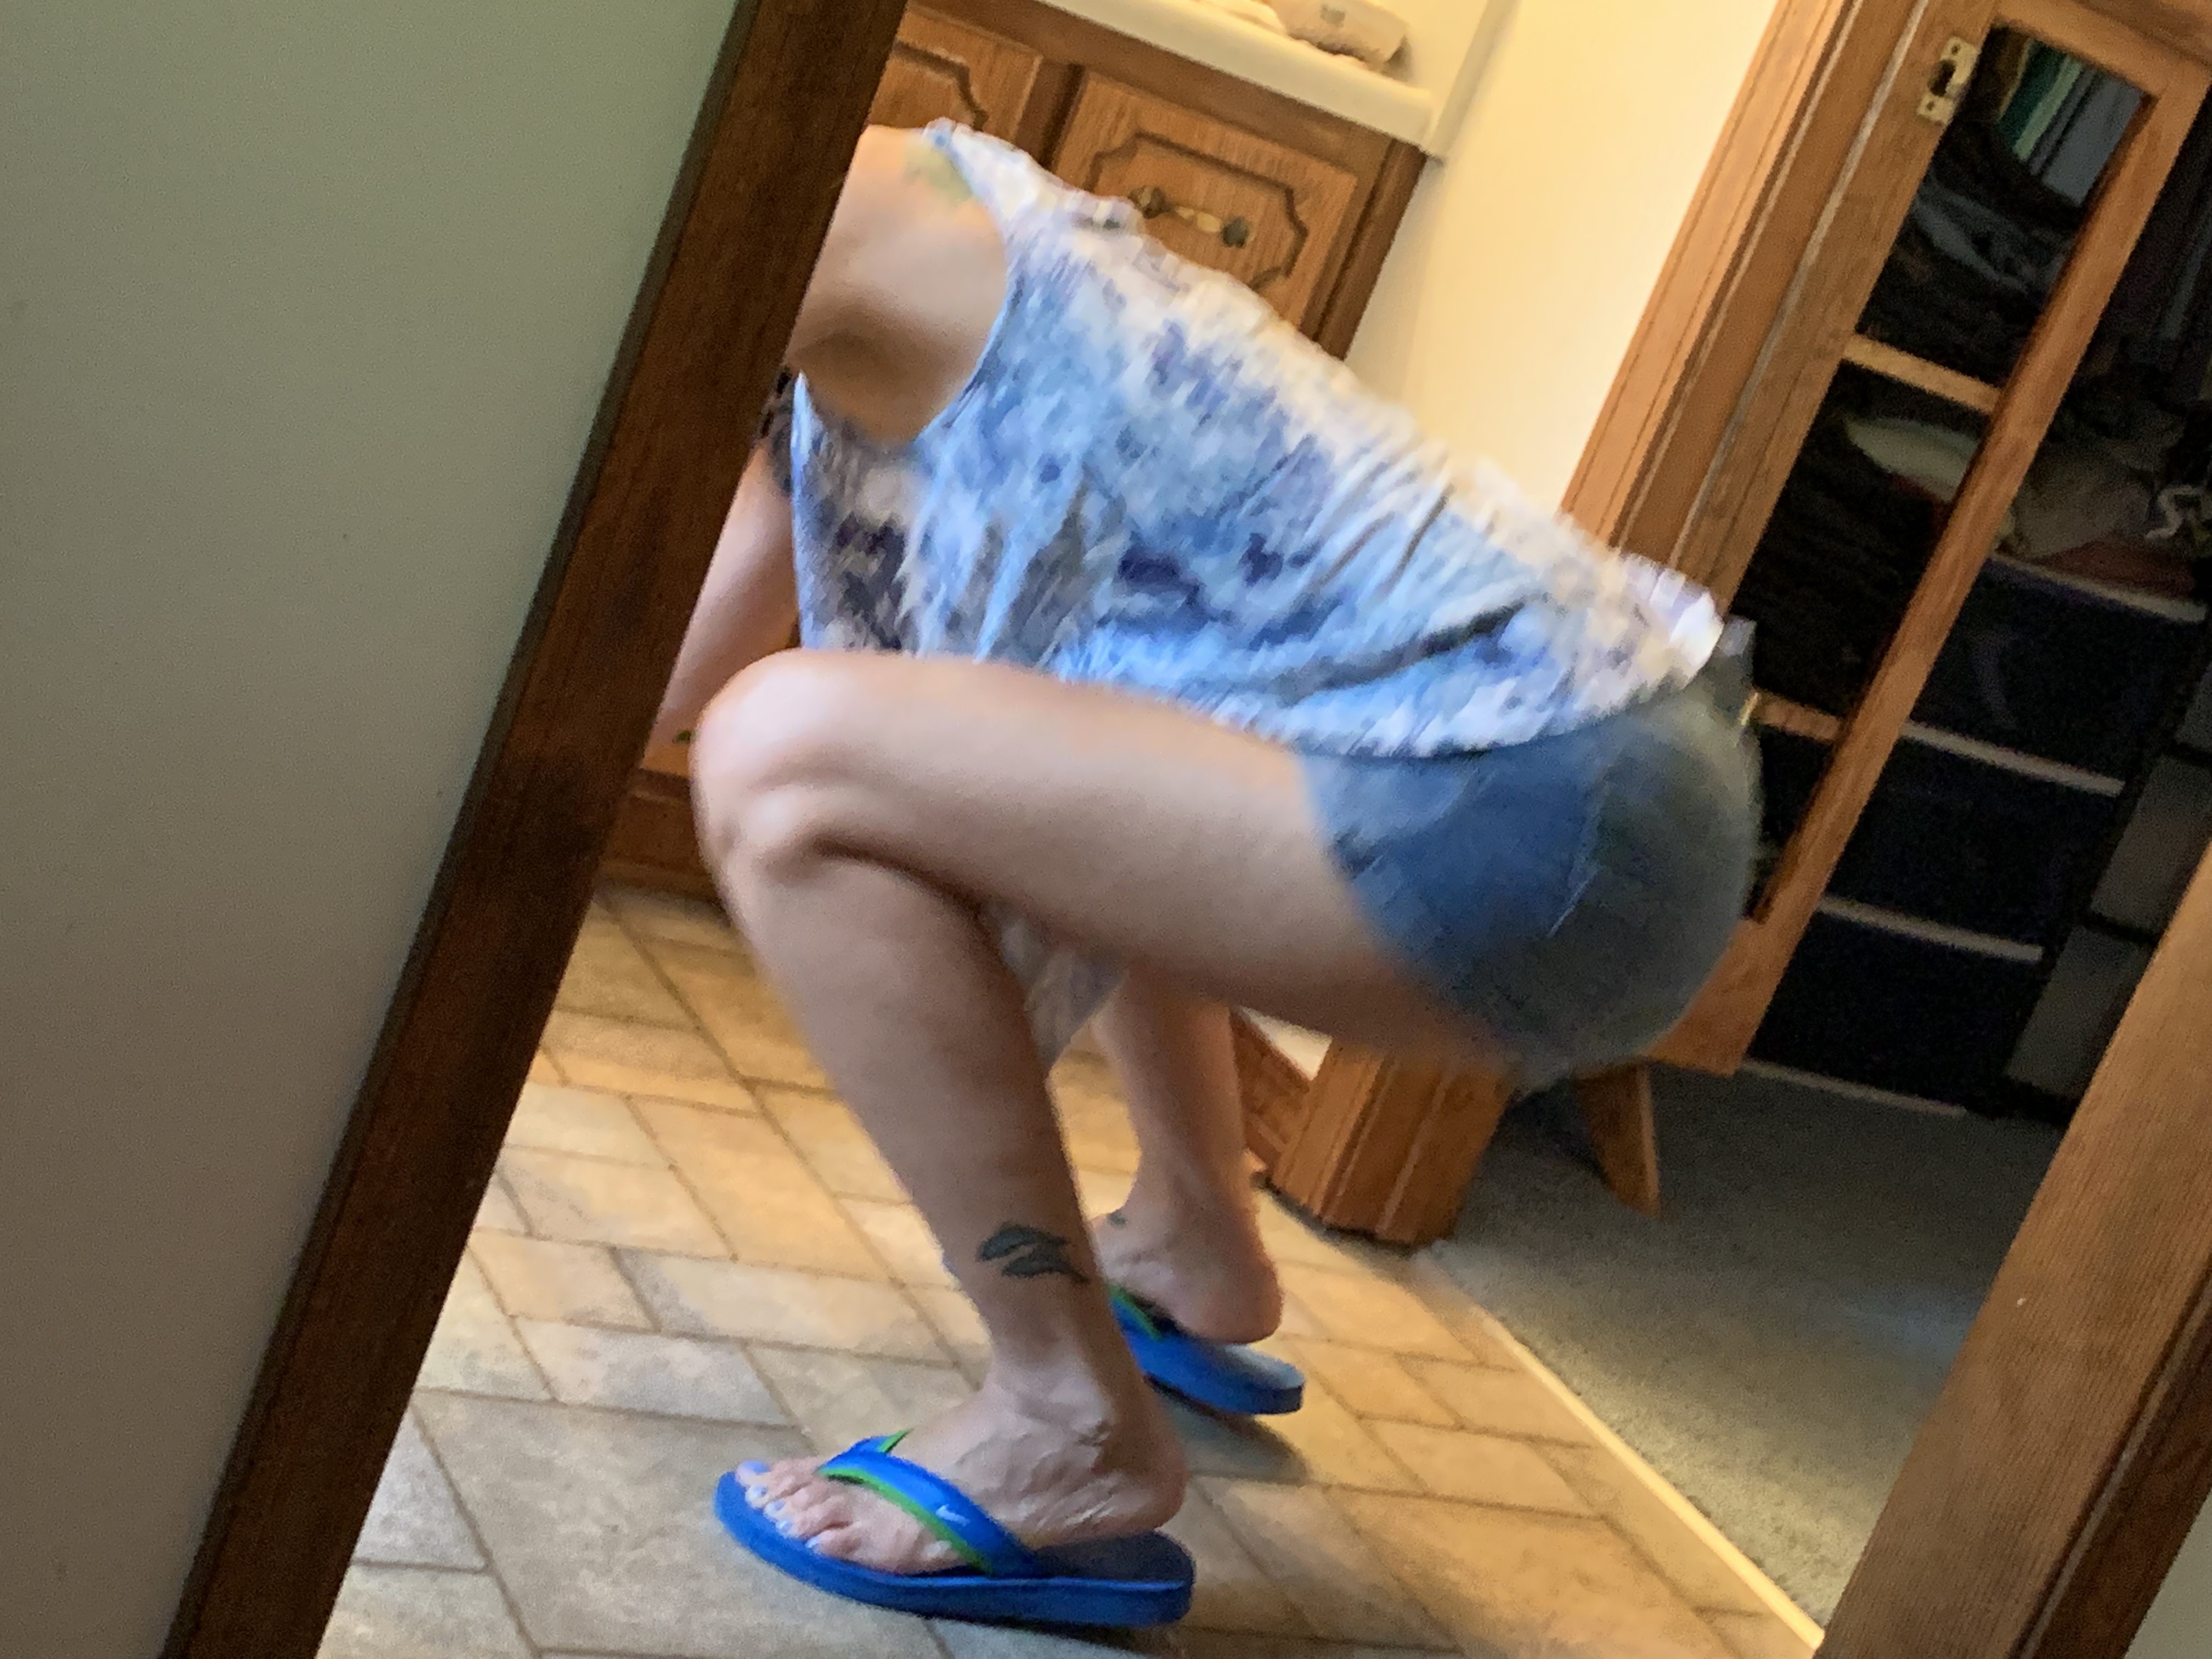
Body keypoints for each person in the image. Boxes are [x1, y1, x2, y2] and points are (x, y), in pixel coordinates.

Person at [656, 120, 1757, 1625]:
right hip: (1621, 767)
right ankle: (1194, 1241)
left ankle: (1064, 1421)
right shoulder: (882, 229)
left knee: (780, 757)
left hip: (1529, 800)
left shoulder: (814, 204)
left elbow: (673, 657)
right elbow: (661, 648)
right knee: (1066, 727)